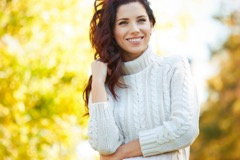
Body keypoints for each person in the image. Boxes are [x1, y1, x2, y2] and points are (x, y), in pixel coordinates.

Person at [83, 0, 200, 159]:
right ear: (112, 30)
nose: (135, 30)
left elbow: (185, 130)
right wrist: (97, 83)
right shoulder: (103, 83)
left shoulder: (174, 67)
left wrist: (123, 152)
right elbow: (106, 145)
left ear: (151, 25)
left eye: (141, 20)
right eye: (123, 23)